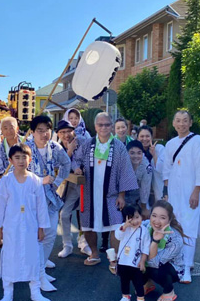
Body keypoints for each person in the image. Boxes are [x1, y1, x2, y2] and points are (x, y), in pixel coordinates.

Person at [0, 143, 53, 301]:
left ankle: (36, 292)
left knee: (33, 256)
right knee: (10, 257)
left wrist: (42, 228)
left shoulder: (35, 180)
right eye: (17, 157)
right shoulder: (6, 181)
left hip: (31, 227)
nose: (21, 161)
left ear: (30, 159)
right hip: (12, 227)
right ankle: (7, 294)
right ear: (10, 160)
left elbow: (41, 206)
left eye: (24, 157)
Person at [72, 112, 137, 265]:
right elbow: (75, 159)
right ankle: (94, 254)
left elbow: (124, 171)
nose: (103, 127)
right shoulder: (88, 144)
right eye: (100, 124)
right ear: (95, 127)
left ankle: (114, 260)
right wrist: (76, 168)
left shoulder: (119, 147)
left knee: (115, 225)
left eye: (107, 124)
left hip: (111, 194)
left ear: (111, 127)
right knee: (87, 225)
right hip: (89, 194)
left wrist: (122, 195)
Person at [162, 109, 200, 283]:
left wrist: (196, 191)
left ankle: (187, 266)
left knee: (189, 227)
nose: (181, 124)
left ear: (191, 123)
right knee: (175, 226)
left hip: (192, 192)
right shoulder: (170, 144)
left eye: (185, 120)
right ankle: (178, 261)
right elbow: (166, 170)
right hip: (174, 192)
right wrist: (166, 192)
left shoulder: (199, 141)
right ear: (173, 123)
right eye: (178, 120)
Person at [25, 115, 71, 288]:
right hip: (31, 198)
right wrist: (39, 180)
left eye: (47, 130)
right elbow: (18, 172)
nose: (44, 134)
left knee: (50, 232)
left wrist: (58, 182)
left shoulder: (54, 147)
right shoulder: (25, 148)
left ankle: (40, 269)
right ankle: (37, 274)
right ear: (32, 132)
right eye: (40, 130)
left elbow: (66, 164)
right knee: (36, 235)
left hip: (50, 197)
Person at [54, 119, 86, 258]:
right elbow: (60, 167)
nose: (66, 135)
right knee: (64, 214)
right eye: (62, 132)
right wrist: (70, 150)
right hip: (69, 185)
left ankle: (85, 243)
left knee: (86, 214)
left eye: (68, 131)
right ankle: (67, 245)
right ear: (58, 134)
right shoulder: (56, 147)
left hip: (86, 184)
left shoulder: (84, 141)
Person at [144, 201, 186, 301]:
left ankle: (169, 291)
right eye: (154, 216)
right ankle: (147, 283)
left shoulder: (175, 239)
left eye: (162, 217)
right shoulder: (146, 225)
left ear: (169, 220)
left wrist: (155, 241)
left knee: (154, 270)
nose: (156, 221)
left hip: (171, 268)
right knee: (127, 264)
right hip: (150, 260)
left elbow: (155, 263)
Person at [114, 205, 150, 301]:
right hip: (123, 261)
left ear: (141, 217)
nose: (134, 221)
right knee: (124, 281)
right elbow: (118, 236)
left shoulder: (144, 231)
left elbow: (145, 248)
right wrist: (125, 226)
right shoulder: (123, 228)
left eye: (137, 217)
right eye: (131, 218)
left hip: (136, 262)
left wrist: (143, 261)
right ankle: (126, 298)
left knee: (138, 283)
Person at [123, 141, 152, 214]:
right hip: (121, 195)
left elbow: (145, 188)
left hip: (137, 197)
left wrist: (144, 208)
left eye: (139, 153)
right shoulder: (121, 163)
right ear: (127, 153)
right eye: (132, 153)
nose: (136, 156)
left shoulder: (146, 167)